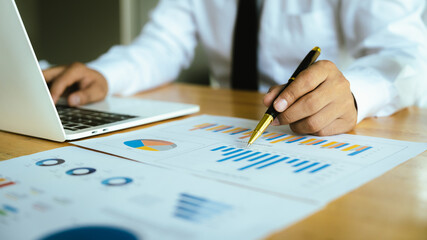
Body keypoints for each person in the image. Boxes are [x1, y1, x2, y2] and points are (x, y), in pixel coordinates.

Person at [43, 0, 427, 136]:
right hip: (229, 127)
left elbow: (407, 52)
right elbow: (162, 45)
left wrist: (357, 92)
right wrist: (105, 74)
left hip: (331, 133)